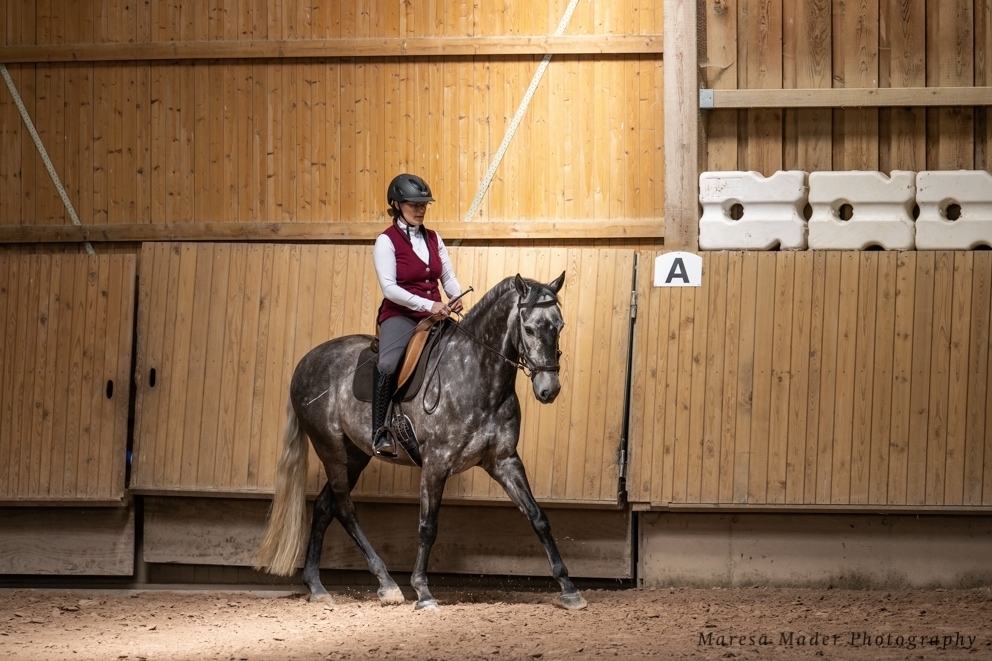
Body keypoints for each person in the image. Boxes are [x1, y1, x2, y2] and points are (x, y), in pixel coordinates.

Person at [371, 173, 464, 457]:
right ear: (397, 205)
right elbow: (390, 289)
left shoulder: (434, 237)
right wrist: (428, 305)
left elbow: (446, 275)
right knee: (387, 363)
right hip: (401, 315)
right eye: (414, 204)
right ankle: (380, 430)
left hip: (435, 314)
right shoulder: (385, 242)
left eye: (424, 204)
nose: (420, 209)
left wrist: (455, 295)